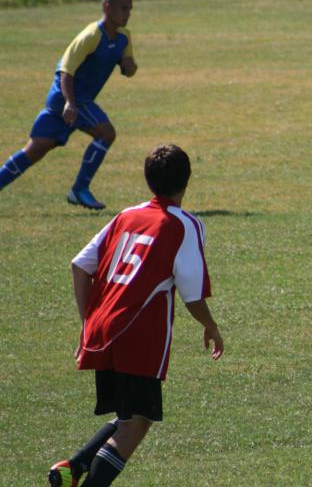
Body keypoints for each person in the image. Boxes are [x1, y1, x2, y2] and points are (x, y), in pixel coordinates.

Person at [48, 144, 224, 487]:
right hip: (136, 334)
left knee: (130, 414)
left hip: (101, 329)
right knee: (138, 422)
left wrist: (87, 323)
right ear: (187, 180)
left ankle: (73, 468)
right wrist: (211, 326)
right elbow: (192, 295)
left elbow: (80, 266)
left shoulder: (126, 216)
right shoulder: (184, 224)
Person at [0, 0, 138, 210]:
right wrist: (70, 103)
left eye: (130, 9)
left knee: (35, 150)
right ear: (107, 8)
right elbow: (65, 71)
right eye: (123, 8)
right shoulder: (91, 35)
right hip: (68, 98)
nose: (128, 13)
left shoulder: (124, 37)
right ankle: (79, 189)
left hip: (76, 102)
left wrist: (130, 67)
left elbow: (128, 68)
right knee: (106, 133)